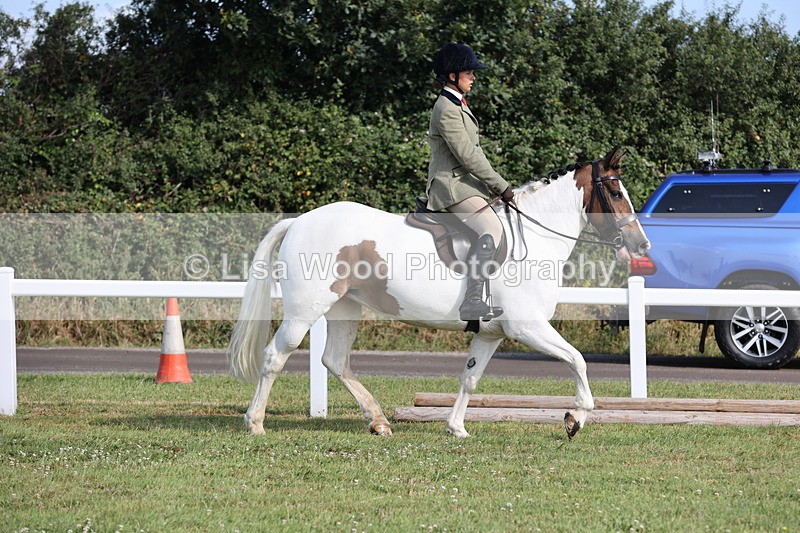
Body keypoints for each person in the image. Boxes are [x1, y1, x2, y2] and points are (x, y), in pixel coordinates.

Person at [426, 42, 515, 322]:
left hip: (466, 185)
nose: (474, 77)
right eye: (469, 72)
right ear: (452, 75)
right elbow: (467, 155)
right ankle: (472, 301)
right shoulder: (446, 108)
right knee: (490, 227)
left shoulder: (457, 104)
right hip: (450, 186)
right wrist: (500, 185)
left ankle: (487, 295)